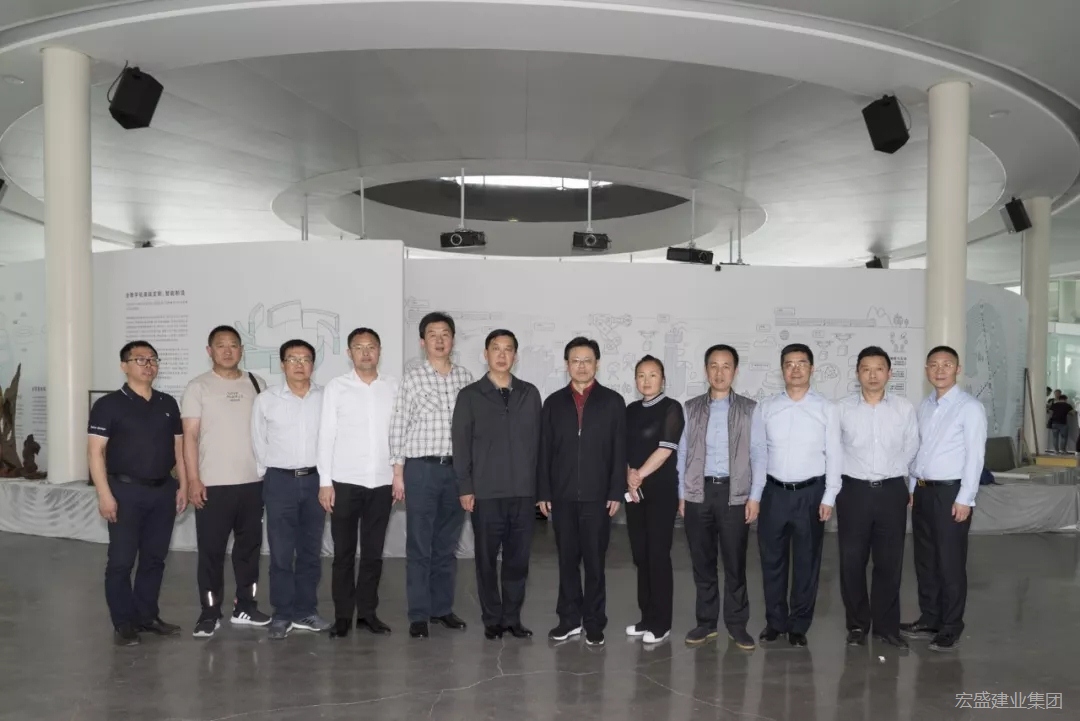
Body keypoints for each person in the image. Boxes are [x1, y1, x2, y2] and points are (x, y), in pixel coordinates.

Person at [88, 341, 187, 646]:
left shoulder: (168, 403)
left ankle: (147, 616)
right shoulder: (108, 405)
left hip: (163, 492)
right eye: (140, 359)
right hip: (124, 492)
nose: (148, 365)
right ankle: (123, 622)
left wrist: (183, 485)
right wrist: (104, 494)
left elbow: (179, 450)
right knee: (121, 561)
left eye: (153, 359)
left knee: (154, 559)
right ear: (124, 366)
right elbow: (95, 453)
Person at [452, 329, 542, 640]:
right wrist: (465, 487)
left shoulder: (530, 394)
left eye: (508, 349)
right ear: (485, 354)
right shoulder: (470, 395)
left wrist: (540, 489)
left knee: (518, 560)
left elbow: (539, 444)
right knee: (486, 560)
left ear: (515, 356)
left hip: (523, 492)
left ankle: (512, 618)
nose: (502, 355)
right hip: (486, 493)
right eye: (496, 348)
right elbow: (461, 445)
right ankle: (492, 618)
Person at [749, 343, 841, 647]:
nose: (795, 369)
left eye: (801, 363)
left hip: (810, 494)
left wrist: (829, 496)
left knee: (807, 562)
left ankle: (799, 625)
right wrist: (755, 495)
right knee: (771, 561)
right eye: (789, 364)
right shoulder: (766, 407)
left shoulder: (827, 408)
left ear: (812, 368)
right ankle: (775, 622)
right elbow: (758, 454)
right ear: (782, 370)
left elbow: (835, 454)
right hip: (774, 493)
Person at [182, 325, 270, 638]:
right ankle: (209, 612)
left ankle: (245, 606)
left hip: (253, 483)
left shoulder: (257, 383)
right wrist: (193, 479)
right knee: (211, 552)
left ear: (241, 349)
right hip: (212, 485)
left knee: (249, 550)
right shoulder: (198, 387)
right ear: (210, 351)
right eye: (221, 345)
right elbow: (190, 436)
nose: (228, 350)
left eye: (233, 345)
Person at [390, 312, 474, 639]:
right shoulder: (412, 379)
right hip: (421, 470)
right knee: (419, 545)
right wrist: (398, 472)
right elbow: (398, 425)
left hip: (456, 471)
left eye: (445, 334)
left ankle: (441, 609)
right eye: (432, 334)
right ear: (422, 342)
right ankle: (418, 614)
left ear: (453, 339)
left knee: (446, 545)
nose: (439, 340)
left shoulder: (466, 378)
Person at [537, 336, 626, 647]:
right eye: (575, 361)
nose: (582, 366)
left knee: (595, 563)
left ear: (597, 364)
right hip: (562, 497)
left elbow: (619, 450)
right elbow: (544, 450)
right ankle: (569, 620)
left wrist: (615, 491)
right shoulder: (553, 403)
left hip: (598, 497)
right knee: (567, 561)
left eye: (587, 360)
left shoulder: (613, 402)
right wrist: (544, 492)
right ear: (567, 365)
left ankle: (594, 622)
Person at [902, 345, 987, 652]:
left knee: (950, 562)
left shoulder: (970, 408)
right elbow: (919, 451)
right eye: (934, 365)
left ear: (957, 369)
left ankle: (951, 625)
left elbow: (975, 457)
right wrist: (913, 488)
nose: (940, 370)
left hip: (952, 493)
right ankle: (930, 618)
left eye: (946, 364)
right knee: (925, 560)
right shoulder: (924, 406)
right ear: (926, 370)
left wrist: (966, 498)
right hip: (924, 492)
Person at [835, 346, 918, 649]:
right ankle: (857, 625)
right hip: (853, 491)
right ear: (857, 373)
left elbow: (911, 446)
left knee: (889, 562)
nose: (872, 375)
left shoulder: (903, 409)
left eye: (879, 369)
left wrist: (897, 477)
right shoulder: (841, 409)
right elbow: (833, 450)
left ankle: (886, 627)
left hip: (891, 491)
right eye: (866, 369)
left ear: (889, 373)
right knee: (852, 561)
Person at [318, 328, 398, 638]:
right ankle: (342, 616)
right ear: (349, 353)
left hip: (382, 482)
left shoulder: (393, 386)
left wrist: (398, 475)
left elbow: (399, 434)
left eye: (371, 347)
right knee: (344, 554)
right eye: (359, 347)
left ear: (380, 351)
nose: (366, 352)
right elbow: (326, 435)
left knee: (373, 553)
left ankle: (367, 613)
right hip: (345, 482)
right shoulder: (337, 387)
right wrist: (325, 482)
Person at [677, 344, 757, 650]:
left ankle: (737, 625)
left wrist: (755, 496)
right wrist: (682, 494)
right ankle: (706, 623)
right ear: (706, 370)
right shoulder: (691, 408)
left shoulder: (749, 409)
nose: (719, 372)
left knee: (735, 563)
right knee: (703, 562)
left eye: (726, 366)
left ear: (735, 371)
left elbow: (759, 455)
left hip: (735, 494)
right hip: (699, 492)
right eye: (714, 366)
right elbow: (682, 453)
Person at [251, 339, 331, 639]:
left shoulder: (325, 398)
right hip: (280, 481)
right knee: (281, 553)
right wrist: (270, 475)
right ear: (282, 364)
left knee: (310, 551)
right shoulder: (266, 400)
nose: (299, 365)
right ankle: (282, 613)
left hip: (315, 481)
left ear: (313, 364)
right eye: (293, 359)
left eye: (305, 359)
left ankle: (305, 611)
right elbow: (258, 441)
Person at [624, 355, 684, 645]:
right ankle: (646, 618)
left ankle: (661, 623)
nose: (646, 381)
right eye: (641, 375)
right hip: (634, 493)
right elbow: (623, 448)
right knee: (641, 555)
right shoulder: (631, 410)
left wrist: (639, 475)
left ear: (663, 379)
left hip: (660, 492)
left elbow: (665, 449)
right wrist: (629, 475)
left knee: (658, 555)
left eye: (653, 375)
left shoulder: (672, 408)